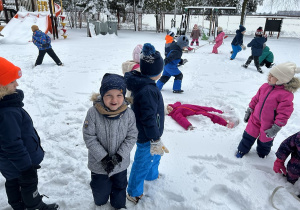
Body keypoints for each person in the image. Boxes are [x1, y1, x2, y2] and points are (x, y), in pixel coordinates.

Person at [0, 57, 59, 210]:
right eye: (12, 81)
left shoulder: (6, 106)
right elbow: (12, 144)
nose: (17, 84)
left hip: (7, 163)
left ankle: (18, 205)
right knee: (27, 183)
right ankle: (35, 206)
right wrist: (26, 168)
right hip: (20, 163)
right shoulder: (8, 112)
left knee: (12, 181)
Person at [82, 73, 138, 209]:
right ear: (102, 95)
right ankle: (100, 203)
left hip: (120, 164)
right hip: (99, 165)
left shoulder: (129, 114)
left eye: (119, 95)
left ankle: (118, 205)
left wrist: (119, 156)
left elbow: (131, 136)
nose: (114, 100)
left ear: (124, 96)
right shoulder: (93, 112)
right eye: (109, 95)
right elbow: (89, 136)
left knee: (120, 189)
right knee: (100, 192)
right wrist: (104, 158)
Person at [124, 43, 168, 204]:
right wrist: (155, 138)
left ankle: (152, 175)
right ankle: (133, 191)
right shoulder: (148, 90)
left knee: (155, 155)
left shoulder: (146, 83)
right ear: (155, 72)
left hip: (152, 132)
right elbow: (148, 117)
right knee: (142, 162)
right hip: (147, 135)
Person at [236, 62, 300, 159]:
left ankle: (262, 153)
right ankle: (242, 149)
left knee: (265, 141)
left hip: (269, 124)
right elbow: (256, 99)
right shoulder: (264, 87)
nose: (269, 77)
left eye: (272, 76)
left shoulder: (286, 95)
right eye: (269, 74)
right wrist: (250, 109)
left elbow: (284, 113)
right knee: (248, 135)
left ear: (281, 80)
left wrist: (276, 126)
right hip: (255, 118)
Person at [166, 102, 237, 130]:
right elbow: (181, 120)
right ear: (168, 113)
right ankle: (226, 124)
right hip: (196, 112)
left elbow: (178, 102)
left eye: (168, 107)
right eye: (168, 110)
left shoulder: (176, 106)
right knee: (210, 115)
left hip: (196, 107)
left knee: (210, 109)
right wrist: (188, 126)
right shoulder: (175, 114)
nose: (170, 108)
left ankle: (221, 112)